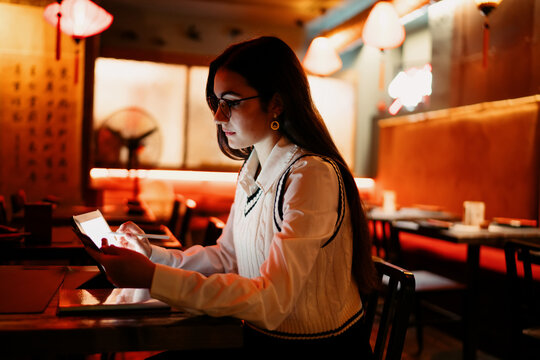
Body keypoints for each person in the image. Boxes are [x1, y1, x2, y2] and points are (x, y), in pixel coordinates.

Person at [87, 36, 377, 357]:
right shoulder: (252, 170)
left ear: (277, 103)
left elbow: (273, 301)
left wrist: (153, 276)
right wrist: (149, 256)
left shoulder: (311, 176)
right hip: (258, 336)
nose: (218, 116)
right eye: (216, 102)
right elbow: (227, 259)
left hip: (315, 349)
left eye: (232, 101)